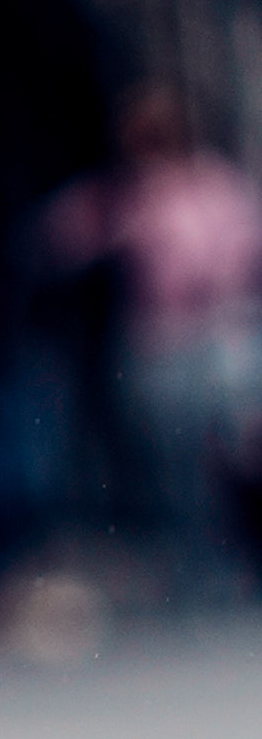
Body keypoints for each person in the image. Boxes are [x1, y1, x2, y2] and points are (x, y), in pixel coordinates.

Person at [36, 88, 262, 601]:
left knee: (237, 453)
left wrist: (212, 275)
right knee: (177, 460)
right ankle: (203, 562)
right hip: (159, 340)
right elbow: (60, 236)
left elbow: (243, 246)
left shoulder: (212, 184)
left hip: (220, 334)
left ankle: (236, 555)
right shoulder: (125, 195)